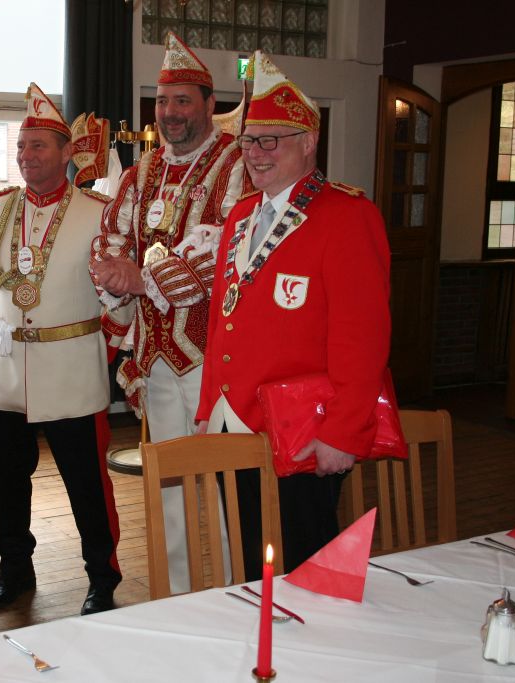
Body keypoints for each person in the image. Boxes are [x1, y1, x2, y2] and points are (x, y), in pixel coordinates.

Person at [196, 51, 392, 575]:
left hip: (305, 430)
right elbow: (222, 320)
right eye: (248, 141)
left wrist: (343, 432)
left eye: (271, 140)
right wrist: (208, 406)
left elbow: (364, 338)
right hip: (232, 419)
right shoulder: (240, 215)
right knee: (249, 560)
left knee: (305, 569)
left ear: (309, 142)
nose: (256, 154)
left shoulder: (347, 216)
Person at [90, 32, 245, 592]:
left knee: (224, 478)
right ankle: (178, 593)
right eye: (162, 101)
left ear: (209, 104)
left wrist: (143, 277)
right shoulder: (142, 172)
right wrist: (112, 272)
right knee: (169, 481)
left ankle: (234, 590)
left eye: (182, 100)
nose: (171, 112)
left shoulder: (236, 164)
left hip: (217, 357)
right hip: (157, 356)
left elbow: (222, 252)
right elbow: (111, 233)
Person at [0, 84, 121, 616]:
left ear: (66, 153)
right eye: (21, 146)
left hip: (70, 371)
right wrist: (11, 327)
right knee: (7, 483)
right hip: (9, 372)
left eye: (38, 145)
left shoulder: (97, 211)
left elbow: (113, 293)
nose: (26, 155)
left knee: (86, 484)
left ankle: (101, 577)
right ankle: (13, 569)